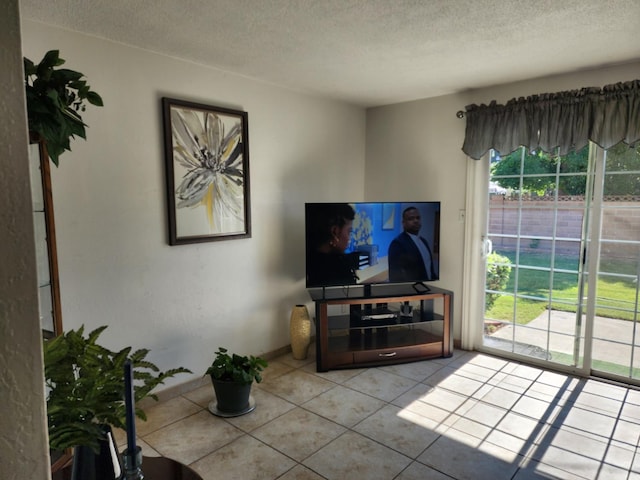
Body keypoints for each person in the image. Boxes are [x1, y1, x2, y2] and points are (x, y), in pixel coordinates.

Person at [306, 203, 359, 287]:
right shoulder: (339, 271)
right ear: (335, 232)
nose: (349, 238)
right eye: (349, 231)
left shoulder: (308, 261)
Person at [388, 206, 437, 283]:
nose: (416, 221)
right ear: (403, 223)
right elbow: (395, 276)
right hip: (412, 291)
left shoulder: (424, 241)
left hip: (428, 288)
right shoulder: (398, 243)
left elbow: (430, 269)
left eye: (418, 218)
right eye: (411, 218)